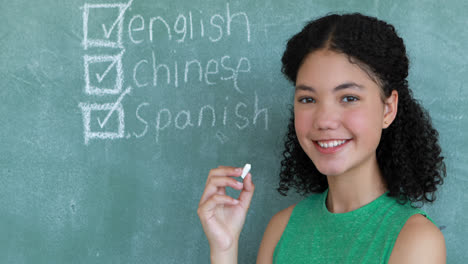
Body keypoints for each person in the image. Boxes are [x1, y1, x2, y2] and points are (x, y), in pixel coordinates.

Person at [197, 13, 446, 263]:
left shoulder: (416, 240)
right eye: (308, 99)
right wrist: (224, 248)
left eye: (349, 98)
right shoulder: (281, 229)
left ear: (388, 109)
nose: (324, 120)